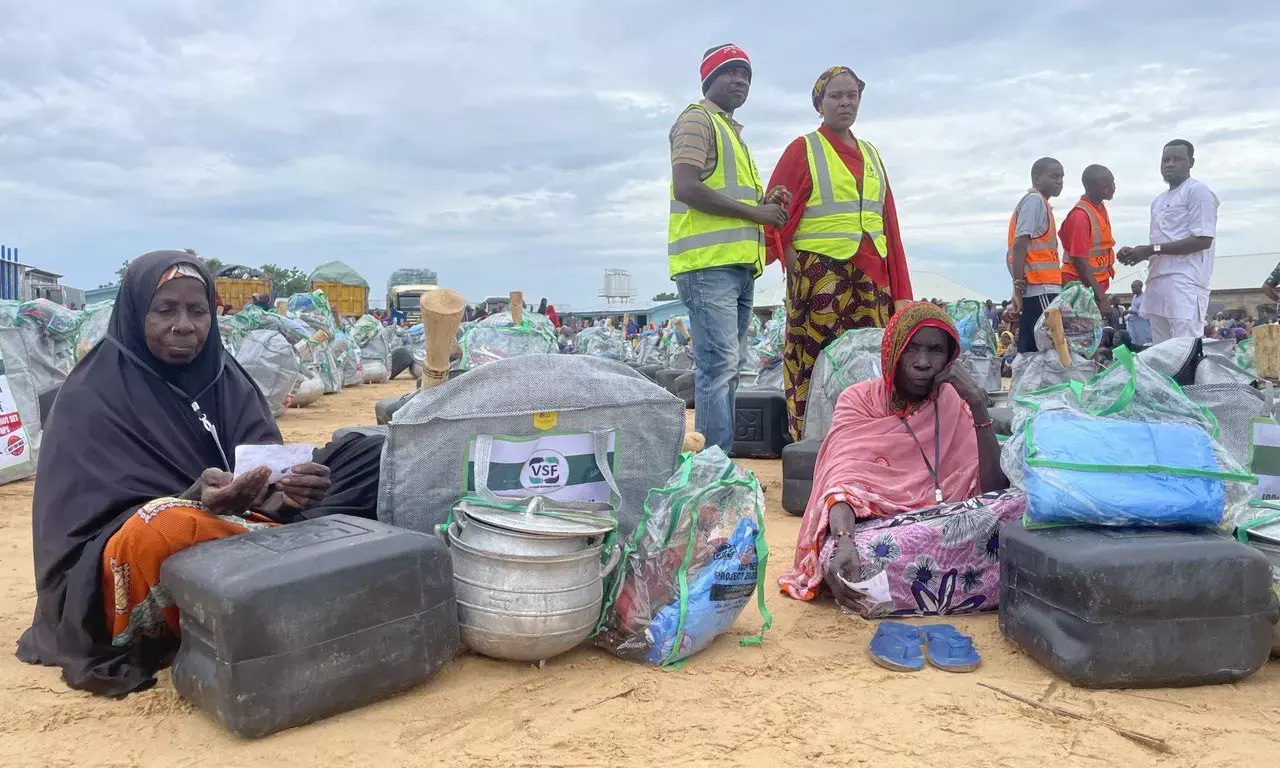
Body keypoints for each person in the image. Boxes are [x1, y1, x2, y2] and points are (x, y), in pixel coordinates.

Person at [16, 251, 387, 697]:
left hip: (240, 526)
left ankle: (275, 576)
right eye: (165, 309)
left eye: (198, 310)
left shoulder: (224, 376)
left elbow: (263, 466)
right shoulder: (90, 397)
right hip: (151, 548)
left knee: (367, 454)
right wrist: (192, 498)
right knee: (164, 524)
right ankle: (283, 581)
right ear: (135, 314)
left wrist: (290, 493)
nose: (184, 325)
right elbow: (86, 529)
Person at [777, 302, 1012, 606]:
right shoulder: (859, 400)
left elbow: (995, 492)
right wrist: (844, 541)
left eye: (935, 351)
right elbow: (841, 481)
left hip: (947, 526)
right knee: (858, 555)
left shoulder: (954, 402)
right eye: (911, 349)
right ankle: (956, 589)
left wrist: (979, 405)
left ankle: (911, 593)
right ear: (892, 350)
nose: (923, 362)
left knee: (1014, 509)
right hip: (879, 533)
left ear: (950, 358)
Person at [764, 66, 913, 441]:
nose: (846, 102)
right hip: (820, 282)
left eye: (853, 95)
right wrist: (795, 263)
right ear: (820, 103)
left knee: (867, 365)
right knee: (813, 364)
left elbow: (889, 224)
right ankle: (811, 443)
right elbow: (774, 212)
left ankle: (869, 441)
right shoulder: (804, 149)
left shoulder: (872, 155)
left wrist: (900, 292)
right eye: (836, 95)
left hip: (871, 281)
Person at [668, 43, 790, 452]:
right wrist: (756, 215)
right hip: (709, 267)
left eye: (747, 75)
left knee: (730, 369)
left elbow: (726, 196)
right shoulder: (697, 121)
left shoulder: (731, 133)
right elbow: (687, 187)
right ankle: (713, 467)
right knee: (718, 369)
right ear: (709, 79)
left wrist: (762, 203)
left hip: (735, 266)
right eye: (731, 72)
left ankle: (718, 460)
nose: (741, 80)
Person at [1118, 139, 1219, 344]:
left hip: (1185, 283)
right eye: (1165, 160)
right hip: (1157, 282)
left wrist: (1150, 249)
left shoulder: (1198, 191)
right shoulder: (1158, 201)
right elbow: (1160, 243)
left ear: (1191, 162)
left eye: (1177, 159)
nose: (1170, 164)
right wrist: (1137, 253)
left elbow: (1202, 240)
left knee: (1184, 349)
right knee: (1161, 354)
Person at [1007, 157, 1065, 354]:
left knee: (1034, 346)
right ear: (1036, 179)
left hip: (1041, 287)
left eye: (1062, 177)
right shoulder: (1034, 201)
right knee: (1043, 348)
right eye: (1054, 176)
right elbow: (1019, 245)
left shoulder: (1041, 203)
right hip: (1041, 287)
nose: (1059, 181)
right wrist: (1017, 286)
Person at [1059, 164, 1116, 319]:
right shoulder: (1080, 216)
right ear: (1090, 188)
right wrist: (1101, 297)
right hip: (1078, 288)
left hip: (1092, 287)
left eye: (1113, 182)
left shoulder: (1099, 207)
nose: (1112, 188)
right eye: (1106, 186)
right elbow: (1079, 261)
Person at [1126, 279, 1153, 347]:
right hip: (1134, 324)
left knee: (1145, 343)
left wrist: (1134, 312)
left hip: (1143, 323)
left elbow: (1147, 312)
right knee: (1135, 343)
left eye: (1134, 287)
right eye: (1131, 287)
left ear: (1140, 286)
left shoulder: (1145, 297)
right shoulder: (1134, 297)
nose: (1132, 289)